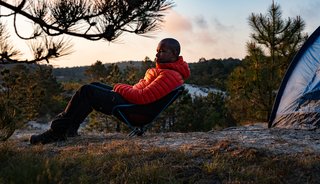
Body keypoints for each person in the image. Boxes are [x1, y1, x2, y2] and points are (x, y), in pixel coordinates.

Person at [30, 38, 191, 145]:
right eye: (157, 50)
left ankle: (57, 132)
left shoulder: (169, 75)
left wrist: (119, 87)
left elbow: (141, 97)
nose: (157, 54)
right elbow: (137, 89)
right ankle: (69, 129)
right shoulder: (162, 71)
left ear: (174, 54)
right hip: (133, 104)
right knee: (93, 85)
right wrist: (124, 89)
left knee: (88, 91)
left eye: (162, 51)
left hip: (136, 111)